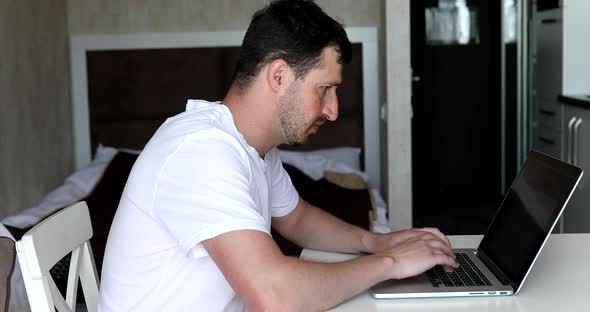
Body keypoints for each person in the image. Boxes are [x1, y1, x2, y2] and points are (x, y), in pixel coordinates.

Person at [97, 0, 458, 311]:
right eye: (325, 89)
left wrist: (376, 241)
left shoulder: (247, 145)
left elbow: (297, 220)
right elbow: (274, 298)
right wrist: (390, 263)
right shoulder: (202, 151)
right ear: (280, 75)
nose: (332, 110)